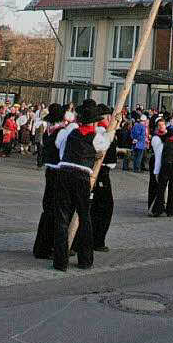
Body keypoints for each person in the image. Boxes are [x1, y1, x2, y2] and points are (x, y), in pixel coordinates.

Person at [53, 100, 110, 272]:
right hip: (81, 176)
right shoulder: (97, 137)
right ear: (93, 121)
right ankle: (85, 260)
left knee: (62, 218)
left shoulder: (71, 133)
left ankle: (60, 262)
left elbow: (60, 149)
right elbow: (105, 146)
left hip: (64, 172)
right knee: (85, 217)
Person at [33, 103, 66, 259]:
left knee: (48, 209)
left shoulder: (49, 130)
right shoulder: (60, 132)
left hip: (50, 170)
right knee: (54, 209)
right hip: (57, 172)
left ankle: (42, 247)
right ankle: (48, 247)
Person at [91, 105, 117, 251]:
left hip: (104, 172)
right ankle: (97, 240)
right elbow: (104, 145)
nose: (110, 119)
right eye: (108, 116)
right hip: (100, 172)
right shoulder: (99, 132)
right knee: (103, 207)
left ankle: (97, 238)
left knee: (102, 207)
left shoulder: (105, 131)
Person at [151, 126, 173, 217]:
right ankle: (170, 210)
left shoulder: (162, 145)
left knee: (161, 189)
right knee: (172, 189)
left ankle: (158, 209)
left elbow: (158, 159)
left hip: (165, 167)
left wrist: (156, 172)